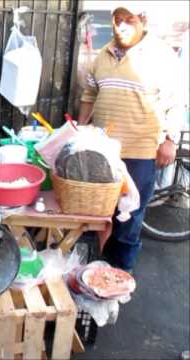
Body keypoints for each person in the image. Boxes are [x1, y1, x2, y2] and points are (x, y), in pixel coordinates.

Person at [77, 3, 182, 272]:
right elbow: (89, 96)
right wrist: (78, 132)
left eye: (129, 20)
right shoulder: (102, 55)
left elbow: (176, 101)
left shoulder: (161, 56)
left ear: (143, 22)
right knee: (99, 214)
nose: (121, 25)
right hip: (102, 152)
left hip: (139, 152)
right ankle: (94, 271)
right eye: (117, 19)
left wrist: (170, 140)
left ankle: (120, 275)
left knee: (129, 218)